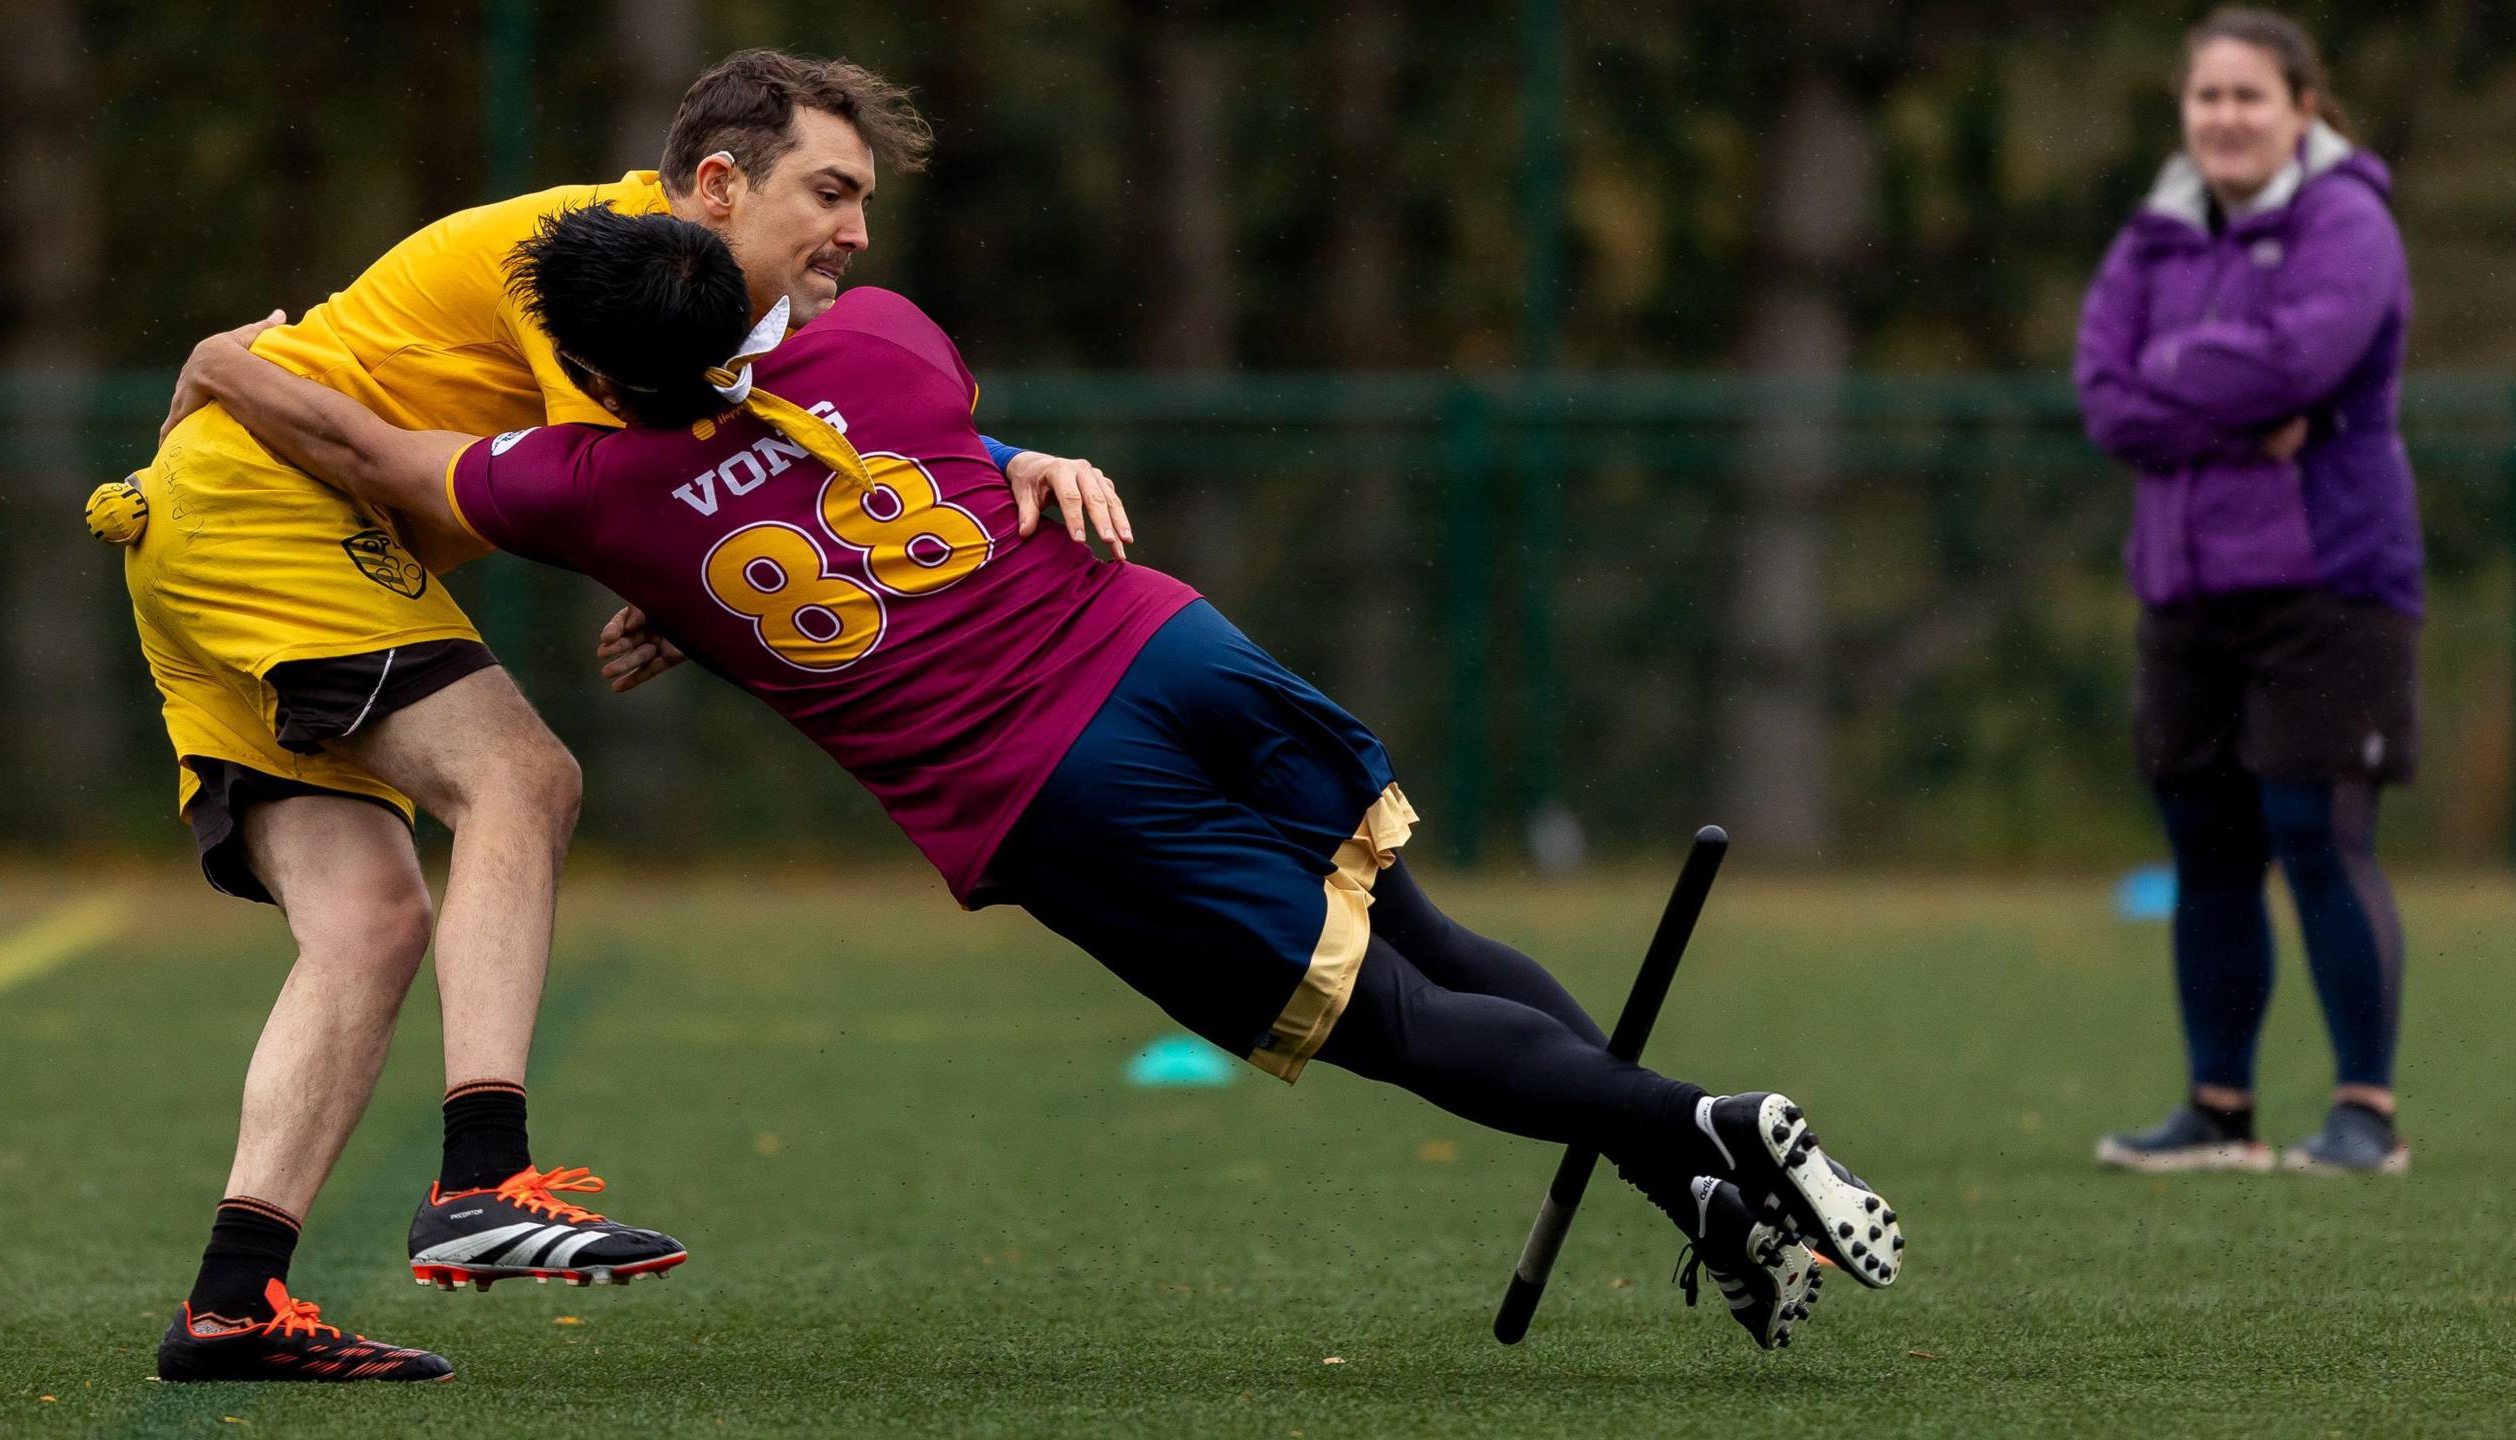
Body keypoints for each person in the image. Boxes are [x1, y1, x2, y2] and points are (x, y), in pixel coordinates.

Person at [170, 203, 1917, 1354]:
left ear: (605, 376)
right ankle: (1680, 1170)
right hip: (1165, 642)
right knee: (1420, 919)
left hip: (1050, 779)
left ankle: (1699, 1127)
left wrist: (231, 359)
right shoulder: (887, 340)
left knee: (1384, 1020)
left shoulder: (588, 491)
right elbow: (890, 415)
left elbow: (372, 445)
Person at [109, 51, 1129, 1385]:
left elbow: (804, 446)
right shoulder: (587, 267)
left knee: (368, 919)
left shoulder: (706, 307)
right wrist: (682, 583)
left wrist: (1012, 463)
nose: (855, 234)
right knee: (523, 783)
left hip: (223, 522)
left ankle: (232, 1304)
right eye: (830, 193)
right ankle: (485, 1179)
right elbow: (655, 484)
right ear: (716, 185)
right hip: (268, 512)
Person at [2075, 8, 2420, 1176]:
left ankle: (2363, 1114)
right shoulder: (2155, 235)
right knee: (2207, 843)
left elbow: (2304, 361)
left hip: (2326, 581)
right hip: (2184, 586)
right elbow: (2105, 394)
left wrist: (2177, 380)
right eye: (2206, 97)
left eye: (2248, 97)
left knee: (2316, 837)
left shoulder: (2347, 220)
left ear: (2302, 109)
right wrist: (2224, 398)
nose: (2223, 118)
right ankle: (2217, 1109)